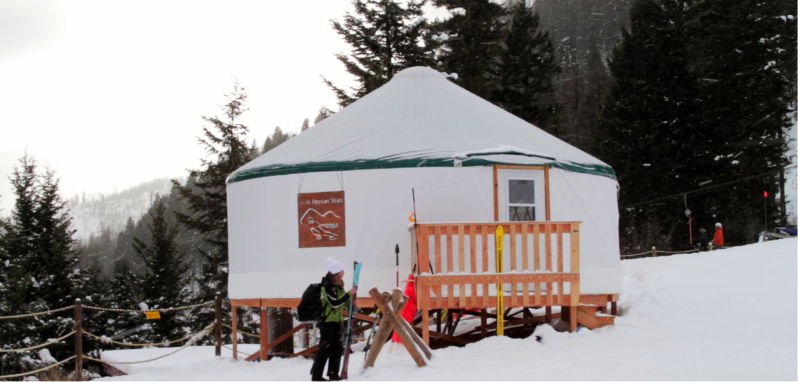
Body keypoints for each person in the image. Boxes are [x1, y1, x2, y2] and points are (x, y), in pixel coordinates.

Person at [310, 258, 355, 382]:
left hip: (336, 321)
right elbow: (334, 303)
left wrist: (350, 303)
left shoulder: (338, 286)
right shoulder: (327, 286)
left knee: (337, 348)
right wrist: (349, 295)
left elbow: (342, 302)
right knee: (325, 348)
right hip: (327, 322)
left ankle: (333, 373)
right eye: (342, 271)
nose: (343, 273)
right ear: (336, 272)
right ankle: (316, 376)